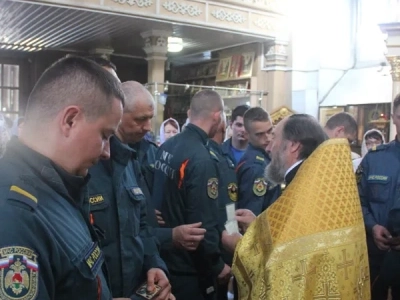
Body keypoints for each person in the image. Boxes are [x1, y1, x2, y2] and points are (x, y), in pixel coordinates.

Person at [0, 56, 125, 299]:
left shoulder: (56, 189)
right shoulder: (14, 215)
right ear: (70, 121)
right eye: (105, 135)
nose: (107, 152)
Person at [231, 114, 370, 299]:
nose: (270, 147)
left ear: (294, 145)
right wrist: (259, 225)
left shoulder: (303, 187)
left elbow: (285, 261)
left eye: (275, 138)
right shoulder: (324, 183)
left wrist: (241, 244)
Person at [152, 90, 231, 300]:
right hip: (190, 268)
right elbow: (202, 223)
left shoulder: (167, 146)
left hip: (165, 255)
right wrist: (216, 264)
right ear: (217, 116)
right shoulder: (201, 159)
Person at [87, 117, 172, 298]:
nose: (148, 126)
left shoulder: (128, 161)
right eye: (141, 119)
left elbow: (142, 225)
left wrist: (154, 264)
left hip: (134, 288)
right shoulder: (80, 171)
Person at [120, 81, 206, 253]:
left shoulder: (150, 151)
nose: (148, 127)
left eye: (150, 118)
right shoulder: (107, 158)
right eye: (140, 119)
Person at [357, 94, 400, 299]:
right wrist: (372, 226)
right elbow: (358, 201)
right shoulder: (375, 159)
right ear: (393, 117)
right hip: (376, 257)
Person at [208, 113, 237, 300]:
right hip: (218, 245)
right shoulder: (216, 158)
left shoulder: (221, 154)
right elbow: (227, 209)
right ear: (224, 125)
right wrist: (223, 261)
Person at [236, 107, 278, 216]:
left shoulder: (265, 157)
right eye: (260, 134)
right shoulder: (256, 167)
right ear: (247, 135)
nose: (268, 138)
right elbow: (251, 214)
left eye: (270, 131)